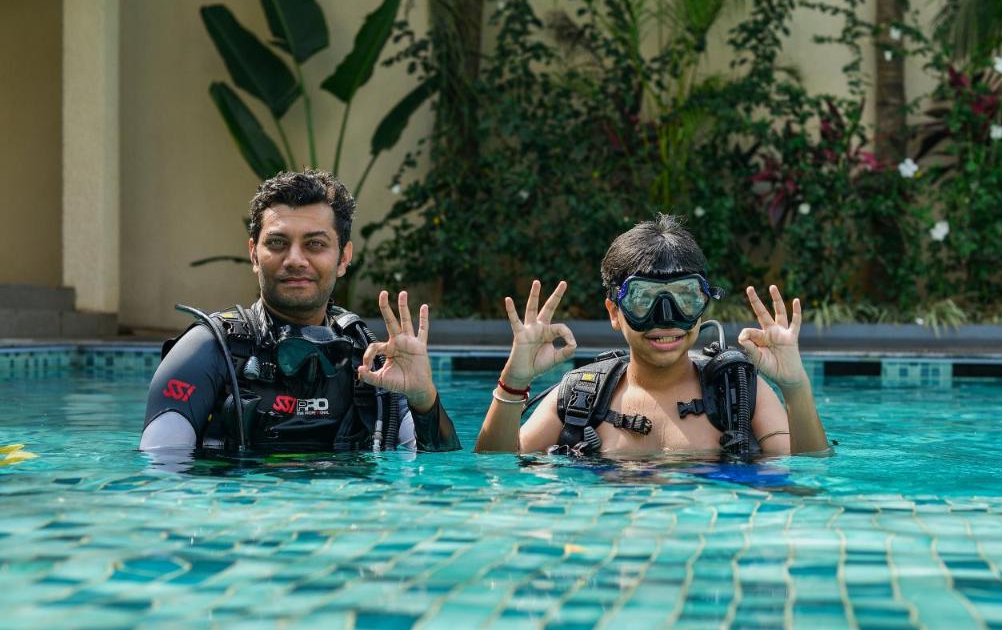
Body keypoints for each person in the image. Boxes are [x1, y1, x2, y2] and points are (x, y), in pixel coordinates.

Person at [140, 170, 459, 456]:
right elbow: (161, 478)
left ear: (344, 258)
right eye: (277, 242)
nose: (295, 259)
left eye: (315, 244)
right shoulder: (207, 352)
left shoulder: (371, 362)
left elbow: (438, 477)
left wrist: (424, 399)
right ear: (254, 254)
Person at [474, 215, 828, 458]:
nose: (666, 319)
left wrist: (795, 386)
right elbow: (497, 469)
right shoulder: (582, 395)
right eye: (644, 299)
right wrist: (514, 381)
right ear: (614, 312)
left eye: (684, 297)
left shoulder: (737, 389)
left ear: (703, 306)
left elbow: (807, 475)